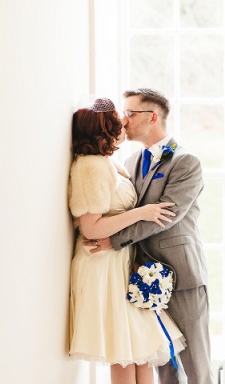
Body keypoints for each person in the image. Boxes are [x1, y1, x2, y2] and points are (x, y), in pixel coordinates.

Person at [91, 89, 215, 384]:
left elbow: (164, 216)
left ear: (153, 117)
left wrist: (114, 240)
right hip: (142, 276)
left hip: (183, 276)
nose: (123, 120)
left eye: (130, 114)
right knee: (163, 364)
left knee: (195, 363)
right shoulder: (131, 162)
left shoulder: (186, 162)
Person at [68, 98, 187, 384]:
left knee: (141, 350)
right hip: (102, 266)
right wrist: (140, 214)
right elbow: (91, 227)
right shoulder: (91, 167)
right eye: (119, 122)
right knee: (123, 349)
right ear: (106, 129)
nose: (125, 124)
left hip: (119, 260)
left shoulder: (108, 163)